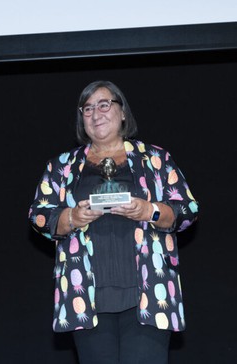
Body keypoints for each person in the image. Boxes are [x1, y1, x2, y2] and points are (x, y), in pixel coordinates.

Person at [28, 80, 198, 364]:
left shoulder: (155, 159)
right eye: (88, 109)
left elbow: (188, 209)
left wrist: (149, 211)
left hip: (150, 293)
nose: (96, 114)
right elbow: (39, 216)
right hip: (86, 297)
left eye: (104, 105)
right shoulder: (61, 167)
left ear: (122, 113)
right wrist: (72, 217)